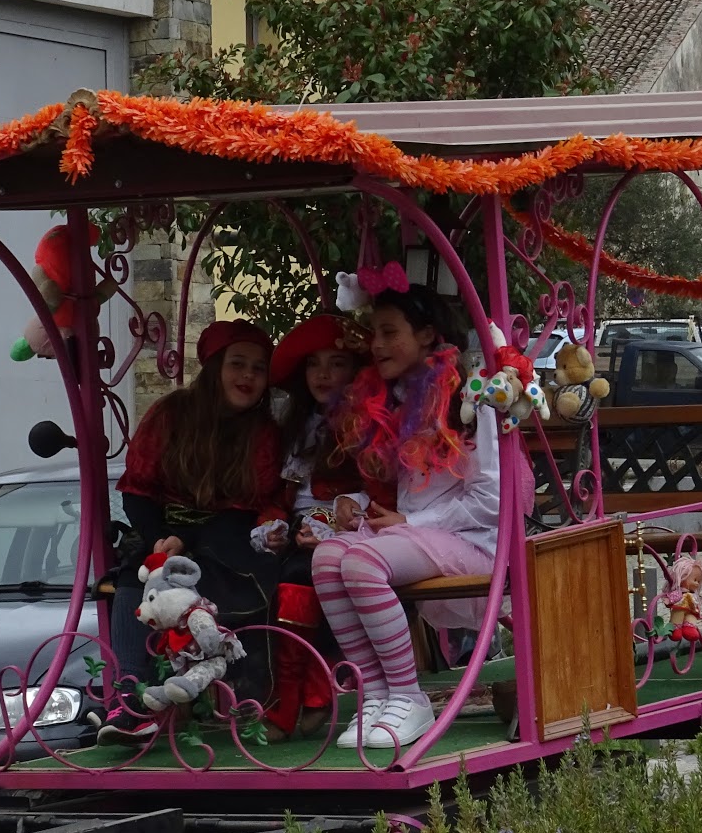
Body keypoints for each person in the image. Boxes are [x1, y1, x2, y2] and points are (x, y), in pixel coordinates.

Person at [315, 285, 502, 749]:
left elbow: (492, 499)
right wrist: (356, 503)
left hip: (475, 542)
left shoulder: (472, 398)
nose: (376, 344)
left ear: (426, 335)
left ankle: (407, 694)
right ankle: (375, 694)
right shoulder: (397, 398)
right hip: (415, 538)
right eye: (373, 332)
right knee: (326, 558)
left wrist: (411, 524)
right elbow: (404, 492)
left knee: (362, 563)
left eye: (389, 332)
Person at [100, 319, 287, 742]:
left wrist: (187, 542)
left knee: (222, 578)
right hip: (162, 528)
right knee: (137, 576)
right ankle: (129, 698)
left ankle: (236, 698)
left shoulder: (264, 433)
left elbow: (249, 508)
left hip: (229, 536)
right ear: (216, 367)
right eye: (237, 364)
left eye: (258, 368)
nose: (248, 376)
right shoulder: (170, 414)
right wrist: (157, 540)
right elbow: (137, 490)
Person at [255, 313, 394, 742]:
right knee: (270, 578)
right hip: (300, 532)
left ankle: (306, 690)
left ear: (355, 371)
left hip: (355, 531)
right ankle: (299, 691)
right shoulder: (295, 427)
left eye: (336, 363)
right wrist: (272, 527)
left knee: (303, 576)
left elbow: (385, 488)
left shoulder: (369, 421)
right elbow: (278, 496)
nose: (323, 374)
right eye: (314, 364)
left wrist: (340, 516)